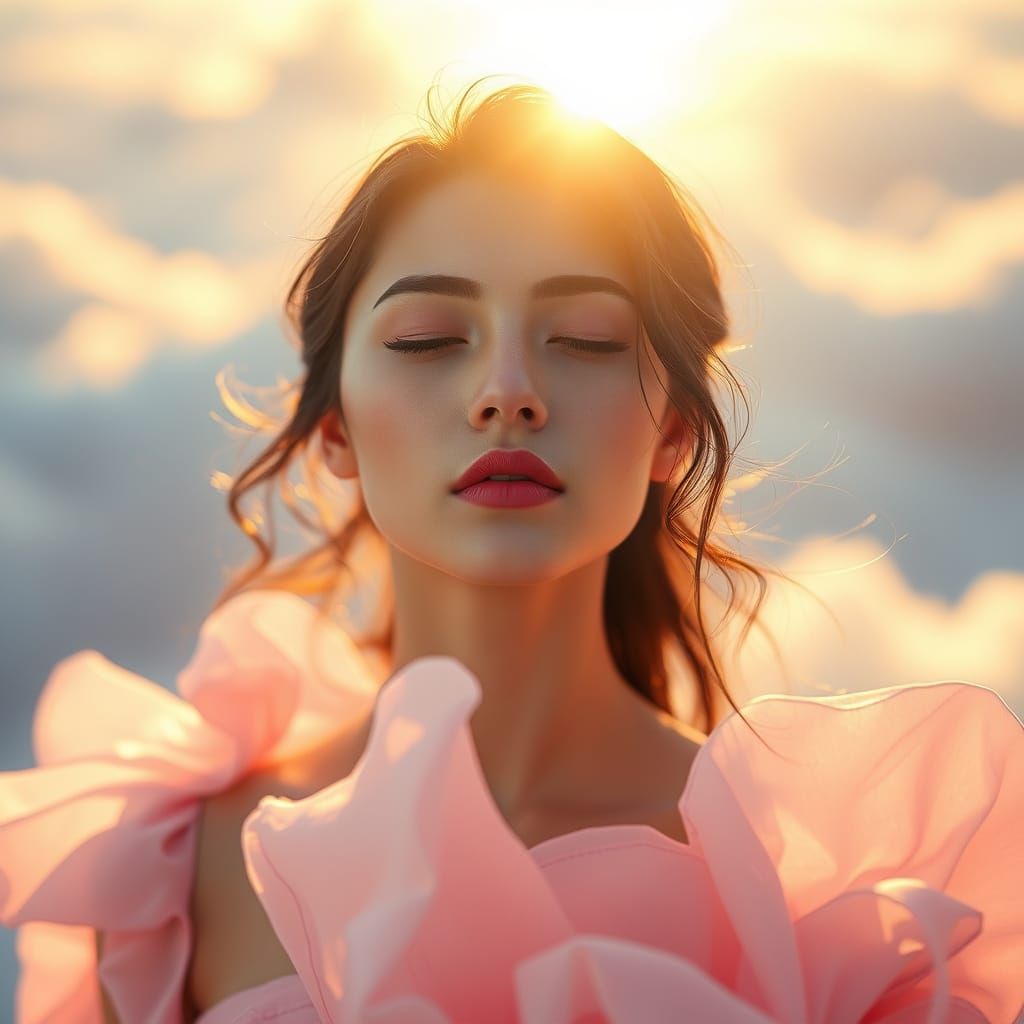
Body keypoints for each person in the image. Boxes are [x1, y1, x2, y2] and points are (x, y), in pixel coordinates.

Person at [2, 76, 1022, 1024]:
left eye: (582, 335)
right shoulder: (170, 867)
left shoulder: (823, 898)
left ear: (671, 430)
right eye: (427, 338)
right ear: (336, 431)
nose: (507, 390)